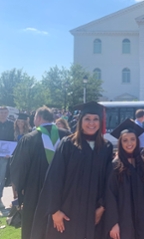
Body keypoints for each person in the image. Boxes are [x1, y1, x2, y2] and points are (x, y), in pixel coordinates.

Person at [31, 101, 113, 239]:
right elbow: (54, 178)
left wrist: (102, 207)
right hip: (67, 211)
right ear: (80, 121)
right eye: (87, 119)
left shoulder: (106, 147)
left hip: (94, 212)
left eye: (95, 119)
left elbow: (109, 181)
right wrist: (55, 210)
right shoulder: (68, 144)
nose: (91, 123)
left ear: (100, 122)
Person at [10, 107, 70, 239]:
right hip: (63, 194)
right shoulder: (67, 135)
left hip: (35, 194)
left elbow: (17, 169)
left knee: (34, 228)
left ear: (37, 118)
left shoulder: (29, 139)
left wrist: (20, 191)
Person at [105, 118, 144, 239]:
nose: (129, 143)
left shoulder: (143, 164)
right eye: (125, 140)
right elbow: (110, 196)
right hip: (124, 220)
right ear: (120, 142)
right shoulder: (115, 165)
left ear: (137, 141)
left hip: (142, 220)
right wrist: (113, 223)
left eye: (132, 139)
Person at [0, 106, 15, 209]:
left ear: (8, 113)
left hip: (4, 155)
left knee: (1, 179)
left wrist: (9, 152)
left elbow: (11, 140)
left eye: (5, 112)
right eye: (1, 112)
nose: (3, 114)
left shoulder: (11, 125)